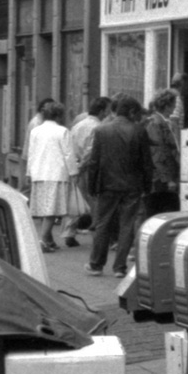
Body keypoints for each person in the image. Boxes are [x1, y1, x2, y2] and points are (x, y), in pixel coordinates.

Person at [84, 93, 153, 278]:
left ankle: (96, 264)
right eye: (138, 113)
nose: (139, 117)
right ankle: (119, 267)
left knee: (102, 224)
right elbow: (146, 163)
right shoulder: (139, 131)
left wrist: (91, 186)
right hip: (132, 186)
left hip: (106, 185)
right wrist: (148, 186)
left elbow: (94, 162)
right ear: (131, 112)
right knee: (127, 225)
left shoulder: (101, 131)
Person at [24, 104, 77, 253]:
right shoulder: (62, 131)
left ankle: (48, 239)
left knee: (44, 207)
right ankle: (42, 240)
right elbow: (68, 154)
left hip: (38, 173)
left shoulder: (36, 131)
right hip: (56, 173)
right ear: (59, 116)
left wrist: (29, 173)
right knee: (52, 210)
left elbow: (31, 153)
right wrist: (73, 172)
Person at [61, 96, 112, 246]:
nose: (109, 113)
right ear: (102, 111)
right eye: (108, 110)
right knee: (94, 202)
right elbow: (91, 150)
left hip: (75, 166)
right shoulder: (98, 127)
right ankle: (97, 233)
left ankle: (69, 232)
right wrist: (83, 164)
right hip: (89, 167)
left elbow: (70, 146)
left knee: (75, 200)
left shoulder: (78, 125)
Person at [144, 89, 182, 217]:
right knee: (163, 212)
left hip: (163, 178)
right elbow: (158, 152)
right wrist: (168, 179)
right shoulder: (156, 123)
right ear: (167, 106)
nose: (175, 108)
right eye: (173, 105)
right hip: (161, 180)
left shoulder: (162, 122)